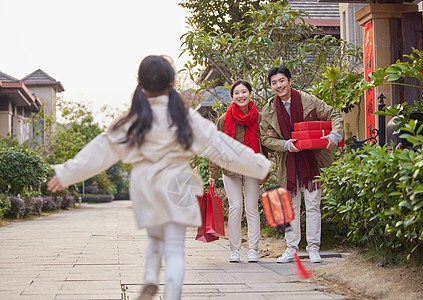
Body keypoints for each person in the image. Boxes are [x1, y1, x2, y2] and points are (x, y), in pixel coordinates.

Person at [47, 55, 271, 300]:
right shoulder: (185, 118)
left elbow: (100, 150)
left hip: (146, 185)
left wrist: (66, 173)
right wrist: (260, 165)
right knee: (175, 247)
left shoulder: (133, 120)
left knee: (155, 238)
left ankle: (151, 277)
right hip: (179, 183)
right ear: (173, 82)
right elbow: (223, 147)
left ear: (140, 85)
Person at [259, 66, 344, 264]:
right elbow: (264, 138)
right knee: (291, 207)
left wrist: (335, 134)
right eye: (274, 83)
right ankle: (291, 249)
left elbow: (335, 115)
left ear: (289, 81)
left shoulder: (308, 100)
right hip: (288, 163)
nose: (278, 86)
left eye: (281, 81)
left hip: (311, 161)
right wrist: (285, 144)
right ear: (271, 86)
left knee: (313, 205)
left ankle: (314, 248)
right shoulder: (269, 109)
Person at [208, 80, 267, 263]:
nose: (241, 96)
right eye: (236, 93)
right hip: (230, 168)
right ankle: (234, 250)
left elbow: (266, 143)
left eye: (244, 92)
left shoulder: (260, 117)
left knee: (251, 209)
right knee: (235, 207)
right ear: (232, 96)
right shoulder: (224, 119)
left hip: (251, 167)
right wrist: (213, 174)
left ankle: (253, 250)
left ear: (250, 93)